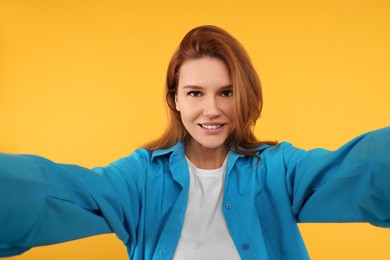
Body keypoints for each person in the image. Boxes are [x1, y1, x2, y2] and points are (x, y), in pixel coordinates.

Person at [0, 25, 389, 260]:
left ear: (245, 95)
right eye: (195, 93)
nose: (211, 110)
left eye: (226, 92)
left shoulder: (277, 168)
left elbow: (358, 173)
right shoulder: (141, 176)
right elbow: (61, 195)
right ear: (175, 100)